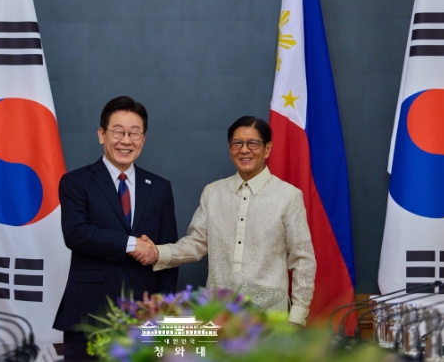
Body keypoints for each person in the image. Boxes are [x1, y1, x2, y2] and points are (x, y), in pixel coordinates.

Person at [132, 116, 316, 325]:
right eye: (237, 143)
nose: (244, 150)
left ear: (267, 149)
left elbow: (303, 259)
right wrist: (157, 252)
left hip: (270, 317)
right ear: (230, 149)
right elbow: (196, 244)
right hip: (219, 316)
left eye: (253, 143)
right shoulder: (213, 193)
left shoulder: (288, 196)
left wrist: (298, 315)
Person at [53, 96, 178, 361]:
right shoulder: (76, 182)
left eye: (134, 133)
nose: (126, 140)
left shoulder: (159, 187)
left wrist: (164, 311)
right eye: (118, 132)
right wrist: (133, 244)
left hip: (145, 316)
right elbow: (76, 233)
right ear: (102, 134)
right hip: (89, 314)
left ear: (143, 139)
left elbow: (167, 253)